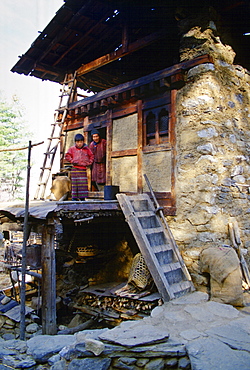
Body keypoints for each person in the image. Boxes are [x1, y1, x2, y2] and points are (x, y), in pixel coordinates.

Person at [65, 133, 94, 201]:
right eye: (78, 142)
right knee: (75, 185)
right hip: (75, 170)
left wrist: (89, 163)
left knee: (83, 185)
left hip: (83, 170)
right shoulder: (72, 149)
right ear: (75, 142)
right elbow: (67, 156)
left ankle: (82, 198)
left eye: (81, 142)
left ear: (83, 142)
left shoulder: (87, 149)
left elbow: (92, 156)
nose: (79, 143)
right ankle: (74, 198)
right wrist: (72, 161)